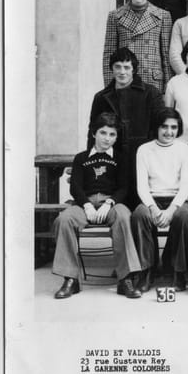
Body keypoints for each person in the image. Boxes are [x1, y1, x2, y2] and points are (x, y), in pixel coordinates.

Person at [52, 113, 143, 300]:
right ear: (94, 133)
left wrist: (109, 203)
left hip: (112, 203)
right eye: (103, 133)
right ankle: (71, 279)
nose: (107, 138)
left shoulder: (120, 158)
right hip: (84, 203)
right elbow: (75, 187)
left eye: (112, 134)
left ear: (116, 137)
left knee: (123, 217)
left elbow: (124, 187)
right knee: (64, 219)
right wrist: (86, 205)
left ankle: (125, 278)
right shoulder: (81, 158)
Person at [89, 47, 165, 205]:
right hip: (113, 160)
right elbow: (93, 133)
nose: (122, 72)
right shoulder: (101, 98)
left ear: (133, 69)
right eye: (117, 67)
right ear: (112, 69)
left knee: (142, 207)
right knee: (116, 206)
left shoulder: (150, 93)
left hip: (143, 158)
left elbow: (159, 128)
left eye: (126, 67)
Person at [131, 108, 188, 292]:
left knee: (184, 216)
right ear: (156, 127)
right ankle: (146, 270)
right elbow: (142, 186)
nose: (169, 132)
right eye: (164, 127)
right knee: (139, 215)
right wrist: (152, 207)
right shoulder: (144, 150)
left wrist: (171, 210)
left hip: (177, 199)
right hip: (152, 198)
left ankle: (178, 270)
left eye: (174, 127)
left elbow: (186, 187)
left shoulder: (185, 150)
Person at [103, 0, 172, 94]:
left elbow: (166, 57)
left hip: (153, 81)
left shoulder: (163, 16)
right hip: (124, 79)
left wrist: (168, 90)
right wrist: (109, 90)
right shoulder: (115, 16)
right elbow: (109, 54)